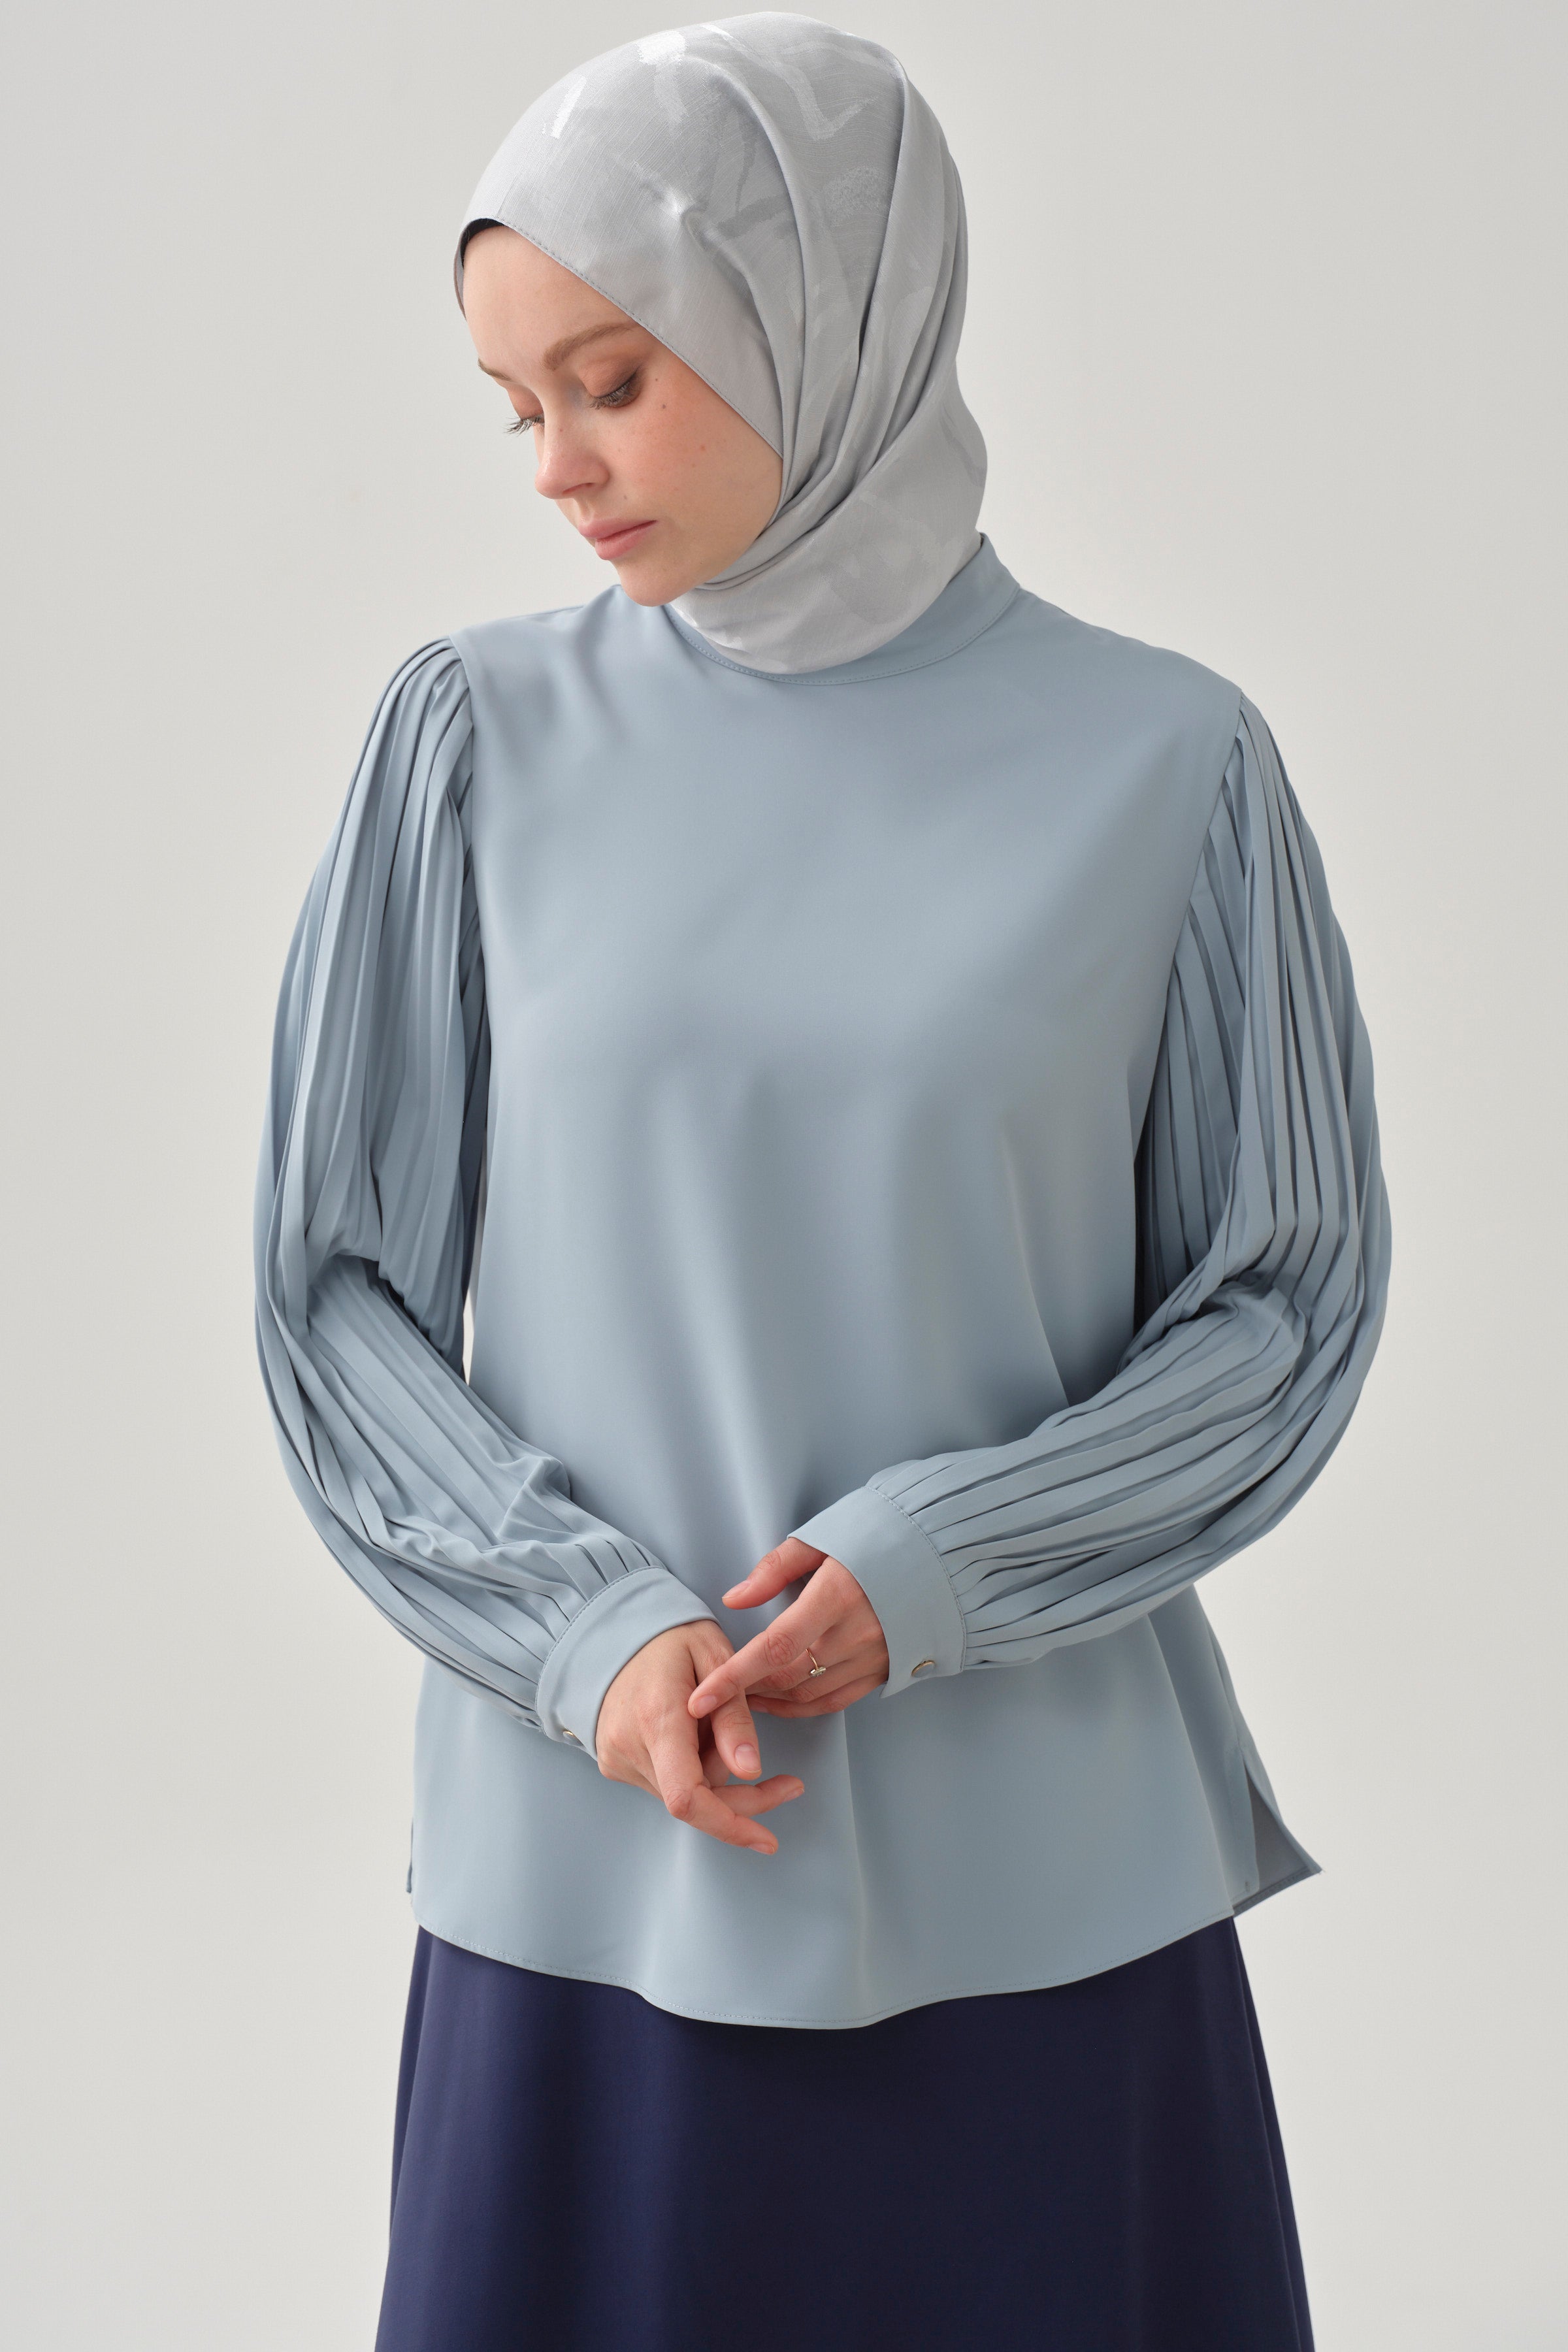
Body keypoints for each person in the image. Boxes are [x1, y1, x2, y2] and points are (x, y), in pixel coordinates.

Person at [255, 16, 1389, 2349]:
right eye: (513, 406)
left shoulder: (1171, 766)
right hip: (587, 1885)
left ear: (825, 311)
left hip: (1048, 1900)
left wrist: (941, 1562)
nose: (559, 466)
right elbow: (334, 1290)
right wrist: (589, 1633)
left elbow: (1283, 1305)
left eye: (613, 379)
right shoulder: (468, 743)